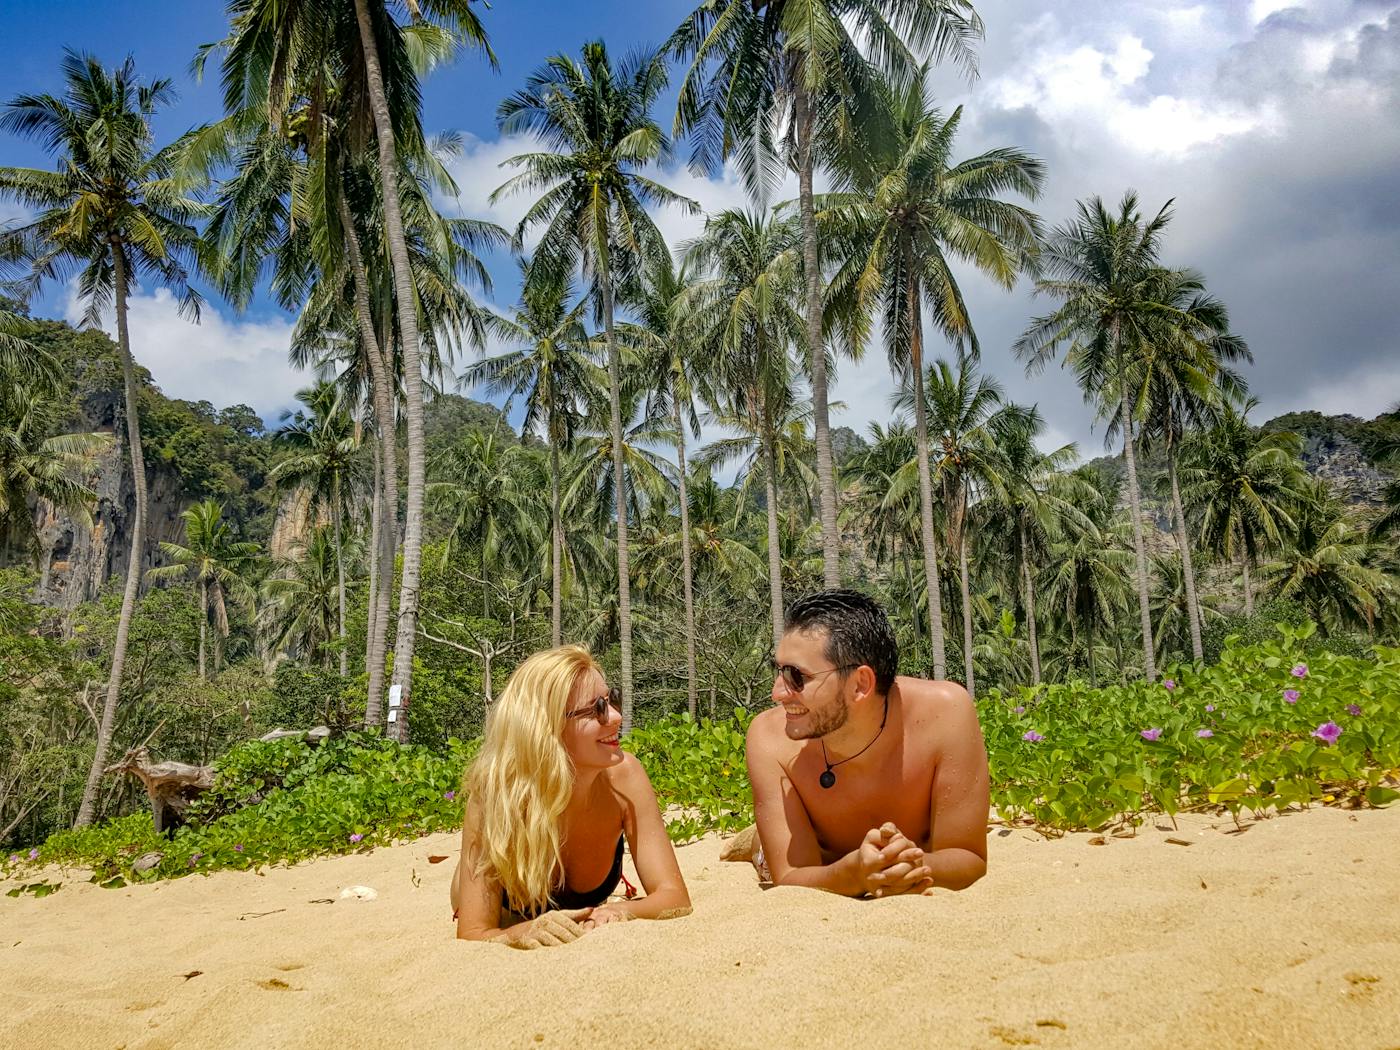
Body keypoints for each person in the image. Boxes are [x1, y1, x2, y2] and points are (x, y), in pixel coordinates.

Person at [744, 589, 990, 897]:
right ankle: (755, 840)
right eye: (779, 671)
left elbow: (969, 857)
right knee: (765, 857)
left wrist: (908, 865)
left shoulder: (945, 713)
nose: (777, 693)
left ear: (860, 684)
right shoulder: (769, 738)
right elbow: (791, 875)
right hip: (828, 859)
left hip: (894, 855)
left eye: (797, 676)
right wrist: (853, 874)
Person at [452, 645, 691, 946]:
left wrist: (620, 911)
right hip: (500, 909)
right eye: (598, 710)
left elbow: (674, 896)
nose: (616, 717)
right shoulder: (496, 795)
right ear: (546, 727)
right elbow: (474, 933)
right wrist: (525, 930)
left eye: (612, 700)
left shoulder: (625, 779)